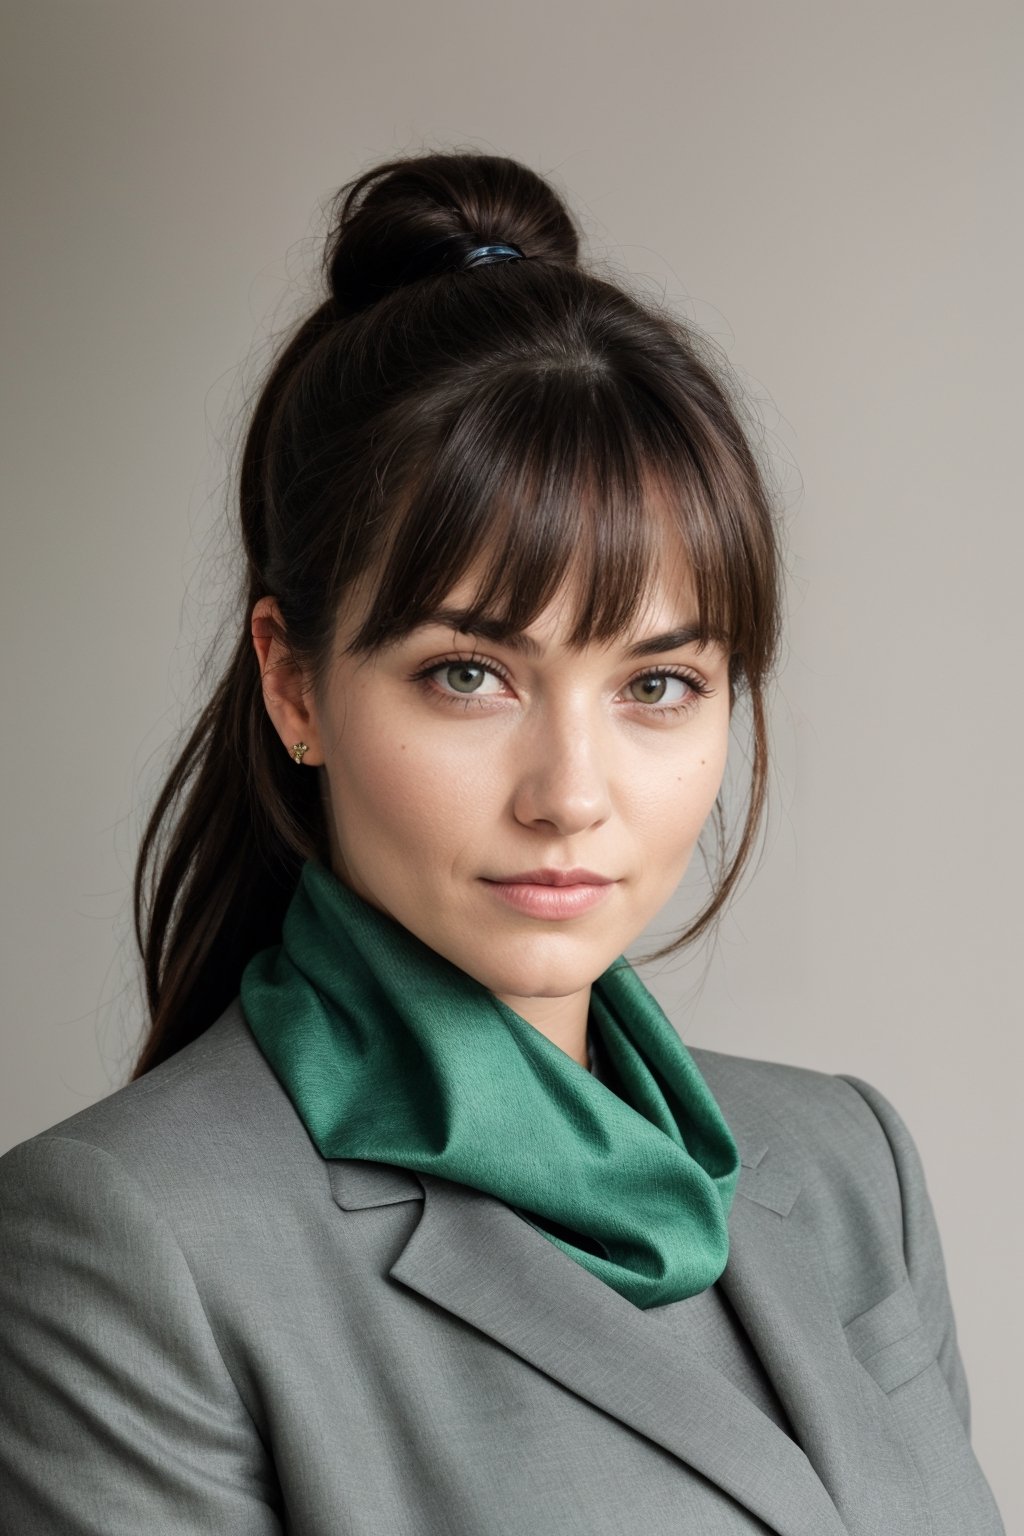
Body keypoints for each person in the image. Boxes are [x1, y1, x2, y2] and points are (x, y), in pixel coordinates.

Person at [0, 151, 1004, 1536]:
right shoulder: (132, 1243)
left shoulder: (844, 1165)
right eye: (471, 674)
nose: (570, 793)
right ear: (295, 684)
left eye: (658, 685)